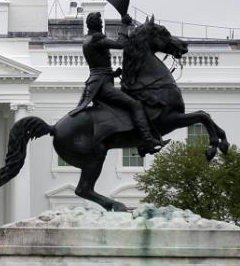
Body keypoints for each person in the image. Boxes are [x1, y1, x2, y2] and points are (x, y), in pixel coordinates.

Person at [68, 10, 167, 157]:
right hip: (102, 86)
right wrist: (124, 25)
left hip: (98, 81)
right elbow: (121, 45)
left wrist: (113, 73)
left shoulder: (87, 40)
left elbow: (98, 67)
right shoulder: (96, 40)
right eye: (101, 23)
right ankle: (146, 140)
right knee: (135, 105)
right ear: (98, 25)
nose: (102, 25)